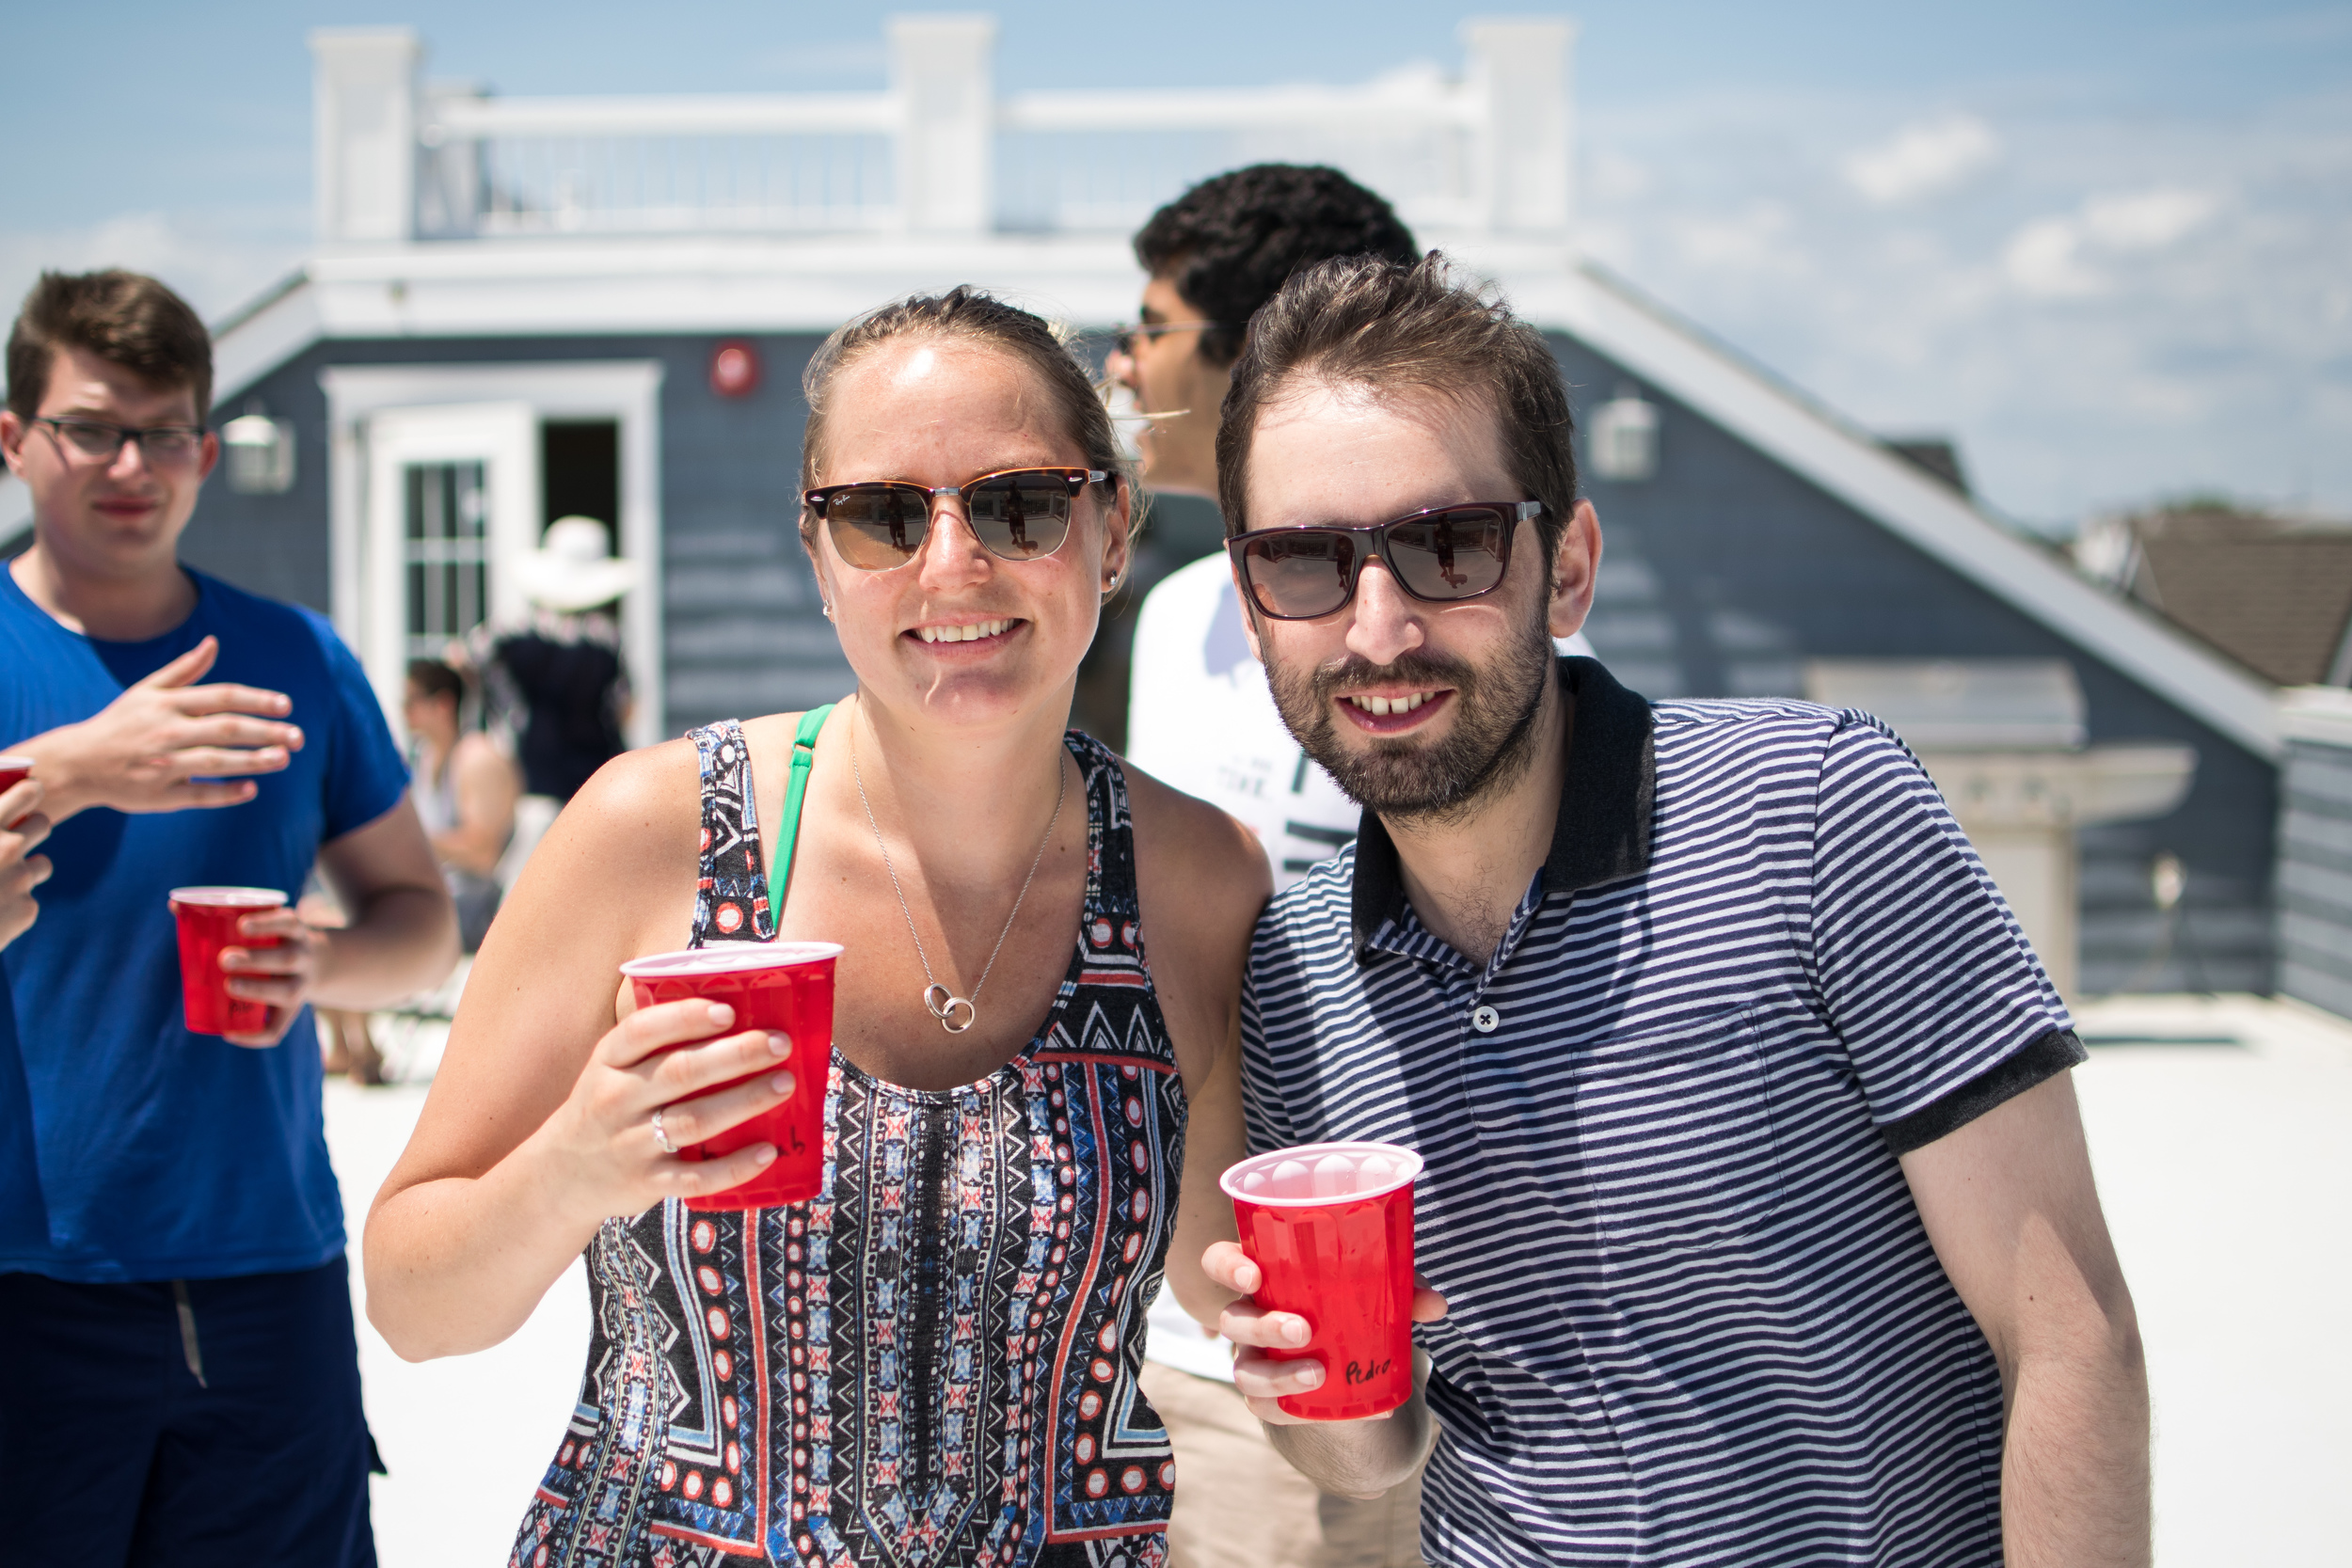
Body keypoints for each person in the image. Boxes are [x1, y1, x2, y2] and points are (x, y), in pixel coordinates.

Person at [1199, 254, 2151, 1567]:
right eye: (1303, 562)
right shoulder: (1294, 971)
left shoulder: (1821, 811)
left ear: (1568, 566)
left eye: (1448, 544)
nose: (1377, 627)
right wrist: (1309, 1388)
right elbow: (1382, 1448)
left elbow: (2071, 1335)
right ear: (1251, 607)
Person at [364, 287, 1270, 1567]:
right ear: (819, 558)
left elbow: (1226, 1288)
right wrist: (576, 1161)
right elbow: (411, 1299)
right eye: (884, 514)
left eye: (1018, 502)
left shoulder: (1198, 878)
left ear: (1111, 528)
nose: (952, 563)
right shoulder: (652, 832)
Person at [0, 269, 458, 1567]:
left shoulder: (298, 655)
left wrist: (325, 959)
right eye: (91, 424)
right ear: (15, 437)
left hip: (266, 1270)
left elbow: (421, 920)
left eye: (165, 430)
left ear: (208, 449)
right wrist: (75, 768)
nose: (130, 461)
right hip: (24, 1273)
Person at [1106, 165, 1432, 1568]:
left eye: (1152, 325)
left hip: (1394, 1337)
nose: (1122, 362)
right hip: (1179, 1338)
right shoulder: (1179, 617)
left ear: (1257, 356)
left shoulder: (1480, 653)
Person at [471, 514, 639, 803]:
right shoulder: (607, 638)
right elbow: (624, 707)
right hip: (598, 770)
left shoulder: (511, 632)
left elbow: (470, 660)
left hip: (533, 765)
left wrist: (507, 716)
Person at [402, 657, 517, 952]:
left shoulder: (477, 758)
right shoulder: (426, 758)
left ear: (443, 704)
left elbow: (483, 854)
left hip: (476, 911)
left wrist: (411, 841)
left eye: (411, 701)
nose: (404, 712)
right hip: (439, 901)